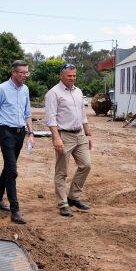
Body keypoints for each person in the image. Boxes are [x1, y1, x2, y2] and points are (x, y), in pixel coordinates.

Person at [0, 59, 33, 224]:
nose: (25, 75)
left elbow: (28, 113)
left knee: (8, 168)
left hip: (20, 133)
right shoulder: (2, 89)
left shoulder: (25, 90)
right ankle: (15, 210)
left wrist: (31, 133)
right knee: (12, 171)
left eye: (27, 72)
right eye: (22, 72)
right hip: (6, 133)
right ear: (14, 73)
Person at [45, 63, 92, 217]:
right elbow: (51, 119)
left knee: (86, 165)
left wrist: (88, 134)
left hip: (80, 134)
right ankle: (63, 203)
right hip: (64, 135)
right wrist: (56, 137)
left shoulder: (78, 92)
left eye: (74, 76)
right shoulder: (53, 93)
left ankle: (73, 197)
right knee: (61, 172)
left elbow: (83, 114)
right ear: (62, 76)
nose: (72, 78)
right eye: (69, 76)